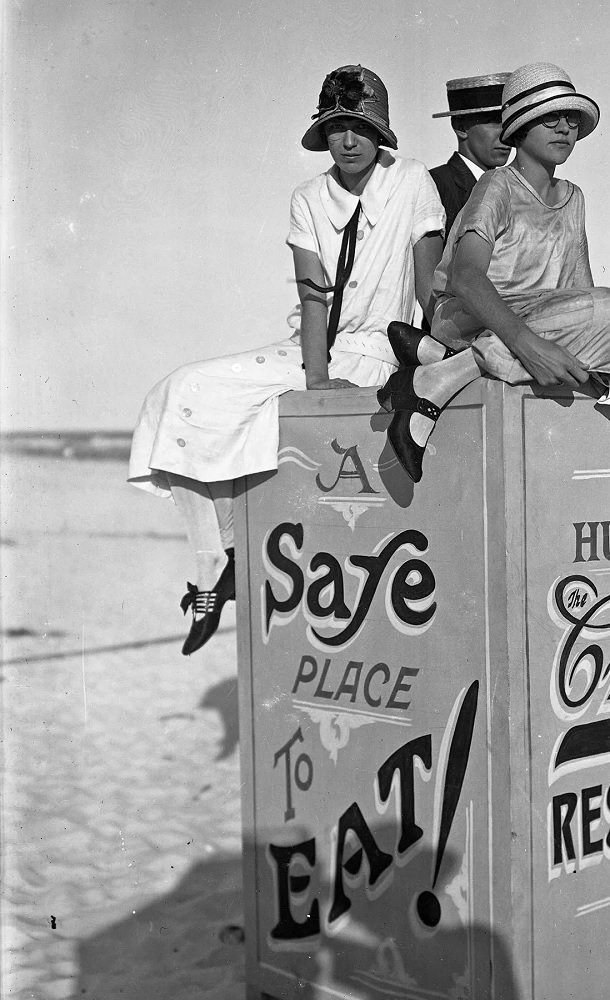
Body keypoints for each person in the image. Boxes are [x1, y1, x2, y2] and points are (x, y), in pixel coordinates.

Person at [128, 65, 446, 654]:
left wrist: (446, 356)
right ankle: (215, 562)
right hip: (313, 350)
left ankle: (220, 564)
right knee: (181, 393)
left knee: (239, 414)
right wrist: (317, 381)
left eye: (360, 127)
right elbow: (312, 297)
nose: (348, 141)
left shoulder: (411, 182)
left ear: (380, 133)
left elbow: (430, 289)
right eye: (335, 129)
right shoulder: (307, 198)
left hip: (376, 352)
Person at [379, 62, 610, 484]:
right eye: (551, 118)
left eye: (571, 119)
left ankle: (447, 370)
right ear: (521, 127)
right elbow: (466, 279)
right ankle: (439, 377)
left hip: (545, 324)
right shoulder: (496, 185)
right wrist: (530, 346)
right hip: (476, 318)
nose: (565, 128)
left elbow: (579, 291)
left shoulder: (574, 197)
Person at [430, 73, 512, 237]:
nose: (506, 133)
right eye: (494, 121)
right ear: (461, 127)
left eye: (509, 122)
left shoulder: (513, 187)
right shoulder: (434, 185)